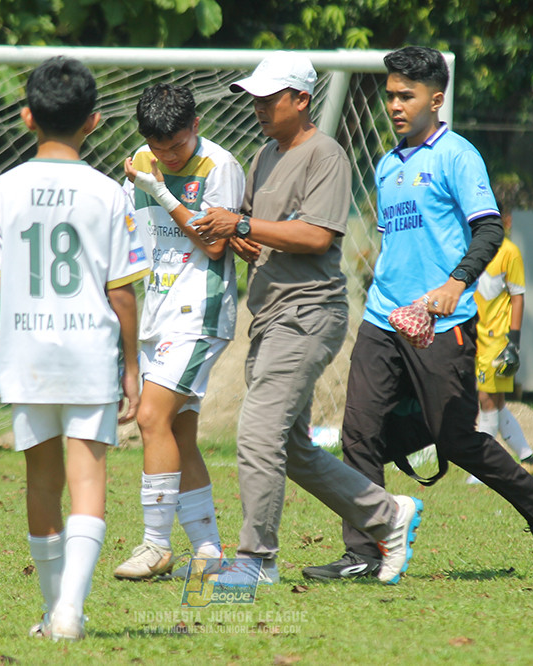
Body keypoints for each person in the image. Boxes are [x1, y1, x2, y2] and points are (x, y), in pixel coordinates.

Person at [302, 46, 533, 582]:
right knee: (359, 432)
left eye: (407, 95)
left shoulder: (457, 155)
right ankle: (366, 551)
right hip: (384, 319)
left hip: (445, 326)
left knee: (455, 441)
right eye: (390, 96)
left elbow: (490, 228)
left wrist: (455, 283)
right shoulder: (386, 164)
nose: (396, 106)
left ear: (436, 98)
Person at [194, 51, 422, 586]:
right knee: (291, 448)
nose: (259, 108)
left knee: (256, 433)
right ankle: (387, 514)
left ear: (302, 99)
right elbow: (258, 229)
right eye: (254, 99)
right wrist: (240, 237)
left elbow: (319, 236)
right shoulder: (263, 156)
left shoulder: (327, 156)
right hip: (270, 316)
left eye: (269, 98)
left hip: (309, 313)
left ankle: (256, 560)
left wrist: (245, 222)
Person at [0, 57, 149, 641]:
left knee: (41, 482)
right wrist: (133, 366)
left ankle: (53, 612)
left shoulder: (2, 189)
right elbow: (122, 294)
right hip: (89, 353)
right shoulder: (109, 193)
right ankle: (70, 609)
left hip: (26, 354)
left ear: (26, 117)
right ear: (93, 122)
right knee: (88, 480)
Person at [113, 84, 244, 580]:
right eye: (157, 147)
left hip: (200, 312)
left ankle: (156, 546)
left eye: (176, 146)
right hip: (159, 311)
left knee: (149, 418)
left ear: (195, 127)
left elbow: (214, 247)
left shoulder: (219, 167)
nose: (166, 156)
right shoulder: (140, 166)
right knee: (177, 434)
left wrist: (160, 190)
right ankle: (209, 550)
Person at [467, 203, 533, 485]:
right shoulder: (469, 247)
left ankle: (483, 470)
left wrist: (514, 342)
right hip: (476, 335)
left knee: (486, 399)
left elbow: (518, 296)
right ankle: (528, 459)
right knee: (496, 403)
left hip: (496, 340)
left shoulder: (509, 252)